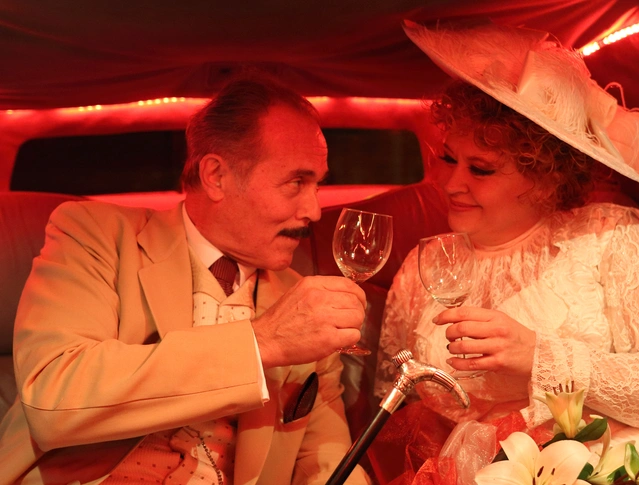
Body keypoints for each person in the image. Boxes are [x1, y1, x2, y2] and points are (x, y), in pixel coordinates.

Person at [372, 19, 639, 484]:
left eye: (482, 169)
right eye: (449, 158)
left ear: (545, 177)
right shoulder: (425, 266)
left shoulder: (614, 238)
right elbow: (398, 399)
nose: (451, 183)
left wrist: (541, 356)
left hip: (610, 461)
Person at [0, 77, 370, 484]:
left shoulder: (302, 301)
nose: (315, 211)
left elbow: (326, 459)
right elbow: (54, 397)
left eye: (318, 184)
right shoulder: (94, 235)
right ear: (216, 176)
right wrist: (262, 343)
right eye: (296, 182)